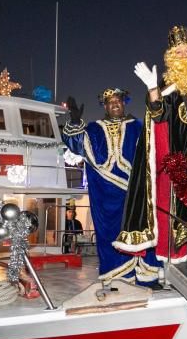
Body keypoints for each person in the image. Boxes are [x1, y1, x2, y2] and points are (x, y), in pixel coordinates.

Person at [114, 25, 187, 270]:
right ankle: (184, 257)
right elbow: (158, 116)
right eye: (178, 51)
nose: (183, 54)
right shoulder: (166, 89)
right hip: (181, 158)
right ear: (171, 57)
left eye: (186, 50)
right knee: (182, 208)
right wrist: (153, 89)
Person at [62, 89, 162, 285]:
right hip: (105, 193)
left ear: (124, 104)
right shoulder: (94, 128)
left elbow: (153, 147)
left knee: (141, 229)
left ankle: (145, 274)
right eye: (110, 102)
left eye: (118, 101)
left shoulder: (137, 127)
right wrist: (74, 122)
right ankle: (117, 275)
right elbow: (76, 143)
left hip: (134, 191)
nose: (115, 104)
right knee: (109, 232)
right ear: (105, 107)